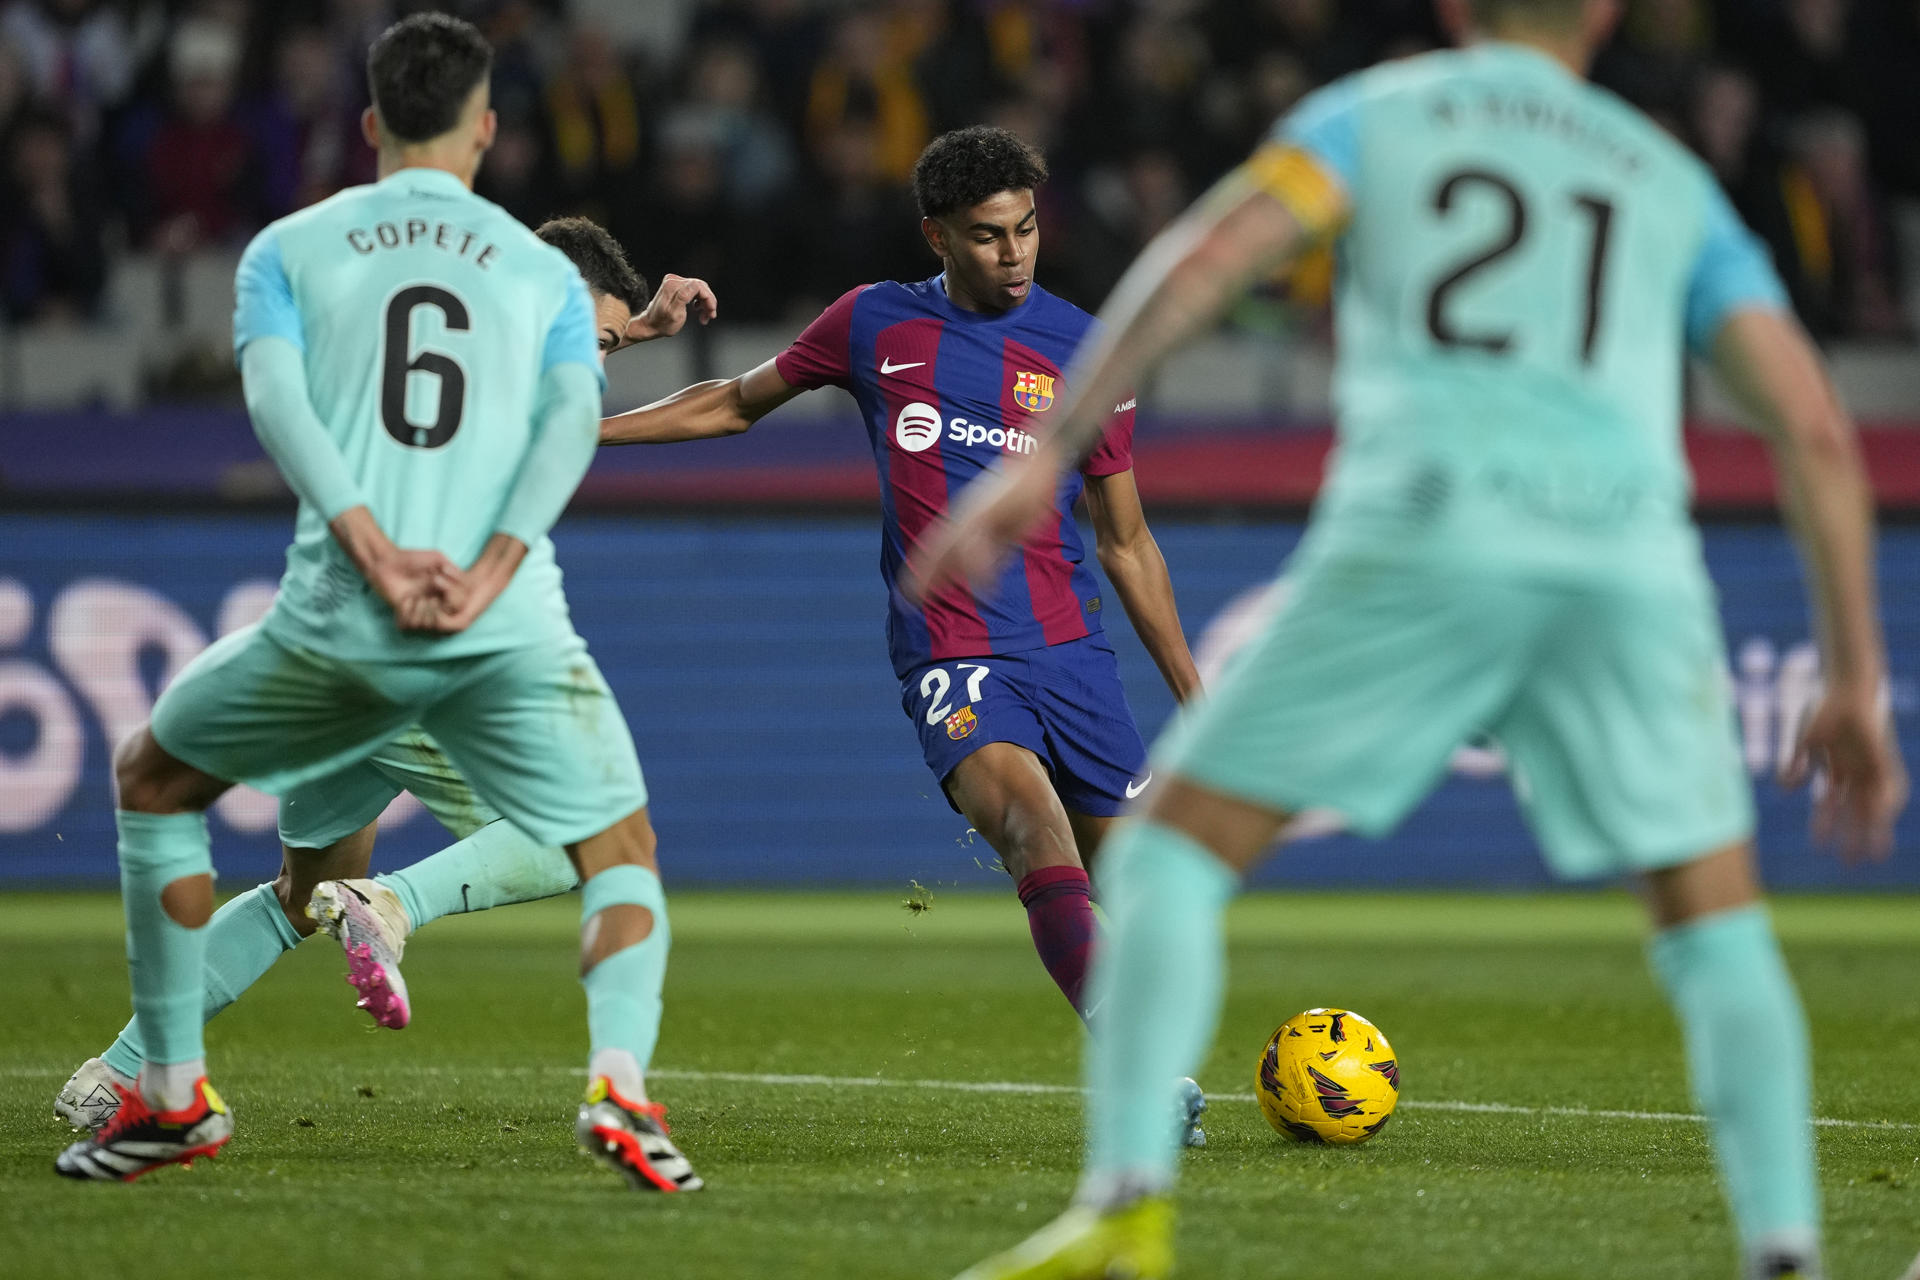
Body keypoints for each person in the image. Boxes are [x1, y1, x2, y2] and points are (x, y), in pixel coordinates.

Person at [910, 2, 1908, 1277]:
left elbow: (1209, 263)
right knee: (1713, 919)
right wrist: (1859, 676)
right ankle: (1786, 1249)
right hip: (1624, 562)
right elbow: (1817, 429)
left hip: (1422, 535)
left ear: (1456, 9)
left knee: (1167, 859)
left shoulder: (1378, 117)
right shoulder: (1665, 175)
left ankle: (1126, 1207)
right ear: (1601, 14)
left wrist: (1049, 451)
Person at [54, 14, 702, 1195]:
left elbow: (280, 409)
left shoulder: (295, 247)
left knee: (215, 827)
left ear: (366, 124)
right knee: (598, 840)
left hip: (339, 622)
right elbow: (558, 420)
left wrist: (364, 538)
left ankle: (145, 1076)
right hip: (478, 623)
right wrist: (498, 558)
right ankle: (601, 1068)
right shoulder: (528, 276)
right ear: (490, 127)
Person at [599, 126, 1206, 1135]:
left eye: (1024, 229)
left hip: (1073, 654)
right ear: (937, 235)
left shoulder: (1088, 349)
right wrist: (588, 431)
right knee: (1026, 824)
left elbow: (1128, 540)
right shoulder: (873, 323)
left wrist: (1192, 690)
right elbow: (735, 403)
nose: (1012, 251)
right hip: (956, 646)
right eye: (985, 234)